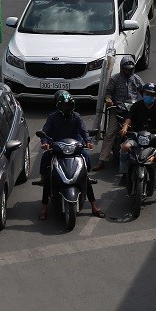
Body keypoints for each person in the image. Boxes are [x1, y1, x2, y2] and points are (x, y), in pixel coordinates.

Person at [37, 91, 104, 220]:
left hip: (75, 148)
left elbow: (84, 131)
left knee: (86, 162)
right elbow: (45, 132)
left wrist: (88, 141)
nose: (66, 108)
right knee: (47, 166)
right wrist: (45, 143)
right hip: (57, 148)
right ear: (58, 106)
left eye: (68, 105)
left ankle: (94, 206)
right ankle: (44, 206)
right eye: (64, 105)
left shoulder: (77, 117)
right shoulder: (52, 117)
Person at [119, 82, 156, 203]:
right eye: (146, 93)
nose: (149, 96)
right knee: (124, 147)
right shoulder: (137, 106)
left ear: (155, 95)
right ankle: (124, 174)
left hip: (155, 139)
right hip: (137, 136)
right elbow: (129, 118)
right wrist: (125, 128)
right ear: (142, 93)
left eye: (151, 94)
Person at [94, 55, 144, 171]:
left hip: (133, 111)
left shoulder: (136, 79)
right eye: (126, 69)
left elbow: (144, 91)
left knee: (142, 131)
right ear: (122, 68)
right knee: (110, 134)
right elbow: (108, 93)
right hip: (118, 111)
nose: (128, 71)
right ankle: (102, 160)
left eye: (130, 69)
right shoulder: (115, 79)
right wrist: (109, 100)